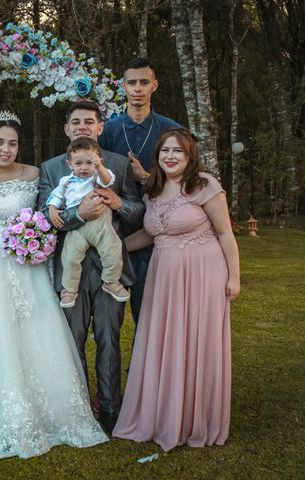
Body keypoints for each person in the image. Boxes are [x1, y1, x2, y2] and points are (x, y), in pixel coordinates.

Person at [0, 112, 108, 461]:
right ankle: (0, 411)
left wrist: (34, 236)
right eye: (0, 142)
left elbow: (51, 212)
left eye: (13, 143)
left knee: (35, 330)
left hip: (28, 263)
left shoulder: (34, 174)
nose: (6, 149)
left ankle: (53, 411)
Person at [113, 128, 240, 451]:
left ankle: (196, 419)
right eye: (165, 151)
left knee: (196, 340)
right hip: (164, 275)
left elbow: (225, 234)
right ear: (157, 156)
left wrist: (233, 278)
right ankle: (163, 414)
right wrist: (111, 248)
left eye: (178, 152)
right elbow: (150, 234)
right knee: (164, 340)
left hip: (202, 272)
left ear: (190, 156)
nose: (170, 156)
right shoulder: (153, 191)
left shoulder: (204, 186)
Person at [38, 101, 144, 435]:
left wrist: (120, 204)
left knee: (109, 339)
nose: (83, 126)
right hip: (71, 267)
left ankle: (111, 407)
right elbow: (45, 217)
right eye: (76, 122)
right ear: (66, 129)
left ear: (100, 127)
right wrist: (78, 214)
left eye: (90, 121)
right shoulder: (52, 168)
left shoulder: (116, 165)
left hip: (111, 267)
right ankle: (79, 406)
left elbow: (139, 209)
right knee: (72, 339)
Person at [98, 58, 180, 326]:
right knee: (109, 322)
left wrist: (145, 177)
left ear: (154, 85)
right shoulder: (107, 130)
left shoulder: (171, 130)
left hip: (156, 236)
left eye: (144, 82)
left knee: (149, 319)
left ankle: (144, 369)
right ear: (123, 87)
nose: (138, 88)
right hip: (113, 234)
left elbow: (183, 185)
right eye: (132, 83)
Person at [47, 137, 129, 308]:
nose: (84, 168)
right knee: (69, 258)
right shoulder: (65, 181)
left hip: (99, 223)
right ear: (70, 164)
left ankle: (111, 282)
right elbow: (55, 197)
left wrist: (99, 167)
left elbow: (107, 180)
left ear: (98, 161)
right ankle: (69, 290)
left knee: (112, 250)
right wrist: (53, 209)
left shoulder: (96, 177)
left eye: (89, 162)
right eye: (78, 163)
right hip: (77, 228)